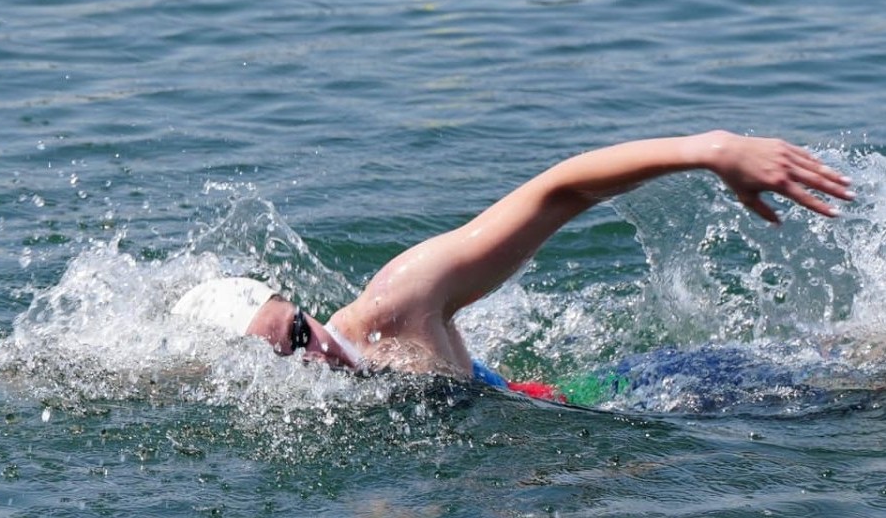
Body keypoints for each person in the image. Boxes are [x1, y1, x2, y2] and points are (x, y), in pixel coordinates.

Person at [171, 131, 855, 400]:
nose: (312, 353)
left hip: (654, 391)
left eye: (300, 329)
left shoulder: (395, 308)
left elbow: (560, 190)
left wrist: (712, 150)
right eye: (286, 356)